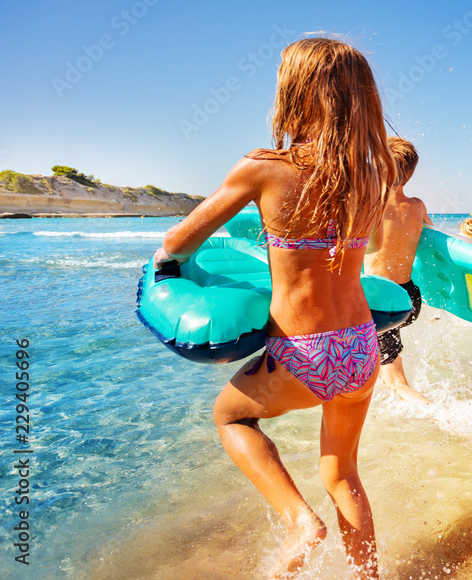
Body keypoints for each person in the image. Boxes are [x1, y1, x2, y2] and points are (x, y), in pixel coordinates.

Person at [153, 38, 395, 580]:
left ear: (296, 92)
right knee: (343, 476)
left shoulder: (263, 167)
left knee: (231, 415)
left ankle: (298, 522)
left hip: (303, 351)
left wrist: (167, 263)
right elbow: (374, 245)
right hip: (361, 347)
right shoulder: (371, 176)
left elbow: (180, 241)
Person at [364, 137, 433, 405]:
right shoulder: (418, 206)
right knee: (378, 363)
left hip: (381, 302)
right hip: (409, 298)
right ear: (411, 172)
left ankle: (442, 415)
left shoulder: (371, 204)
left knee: (395, 380)